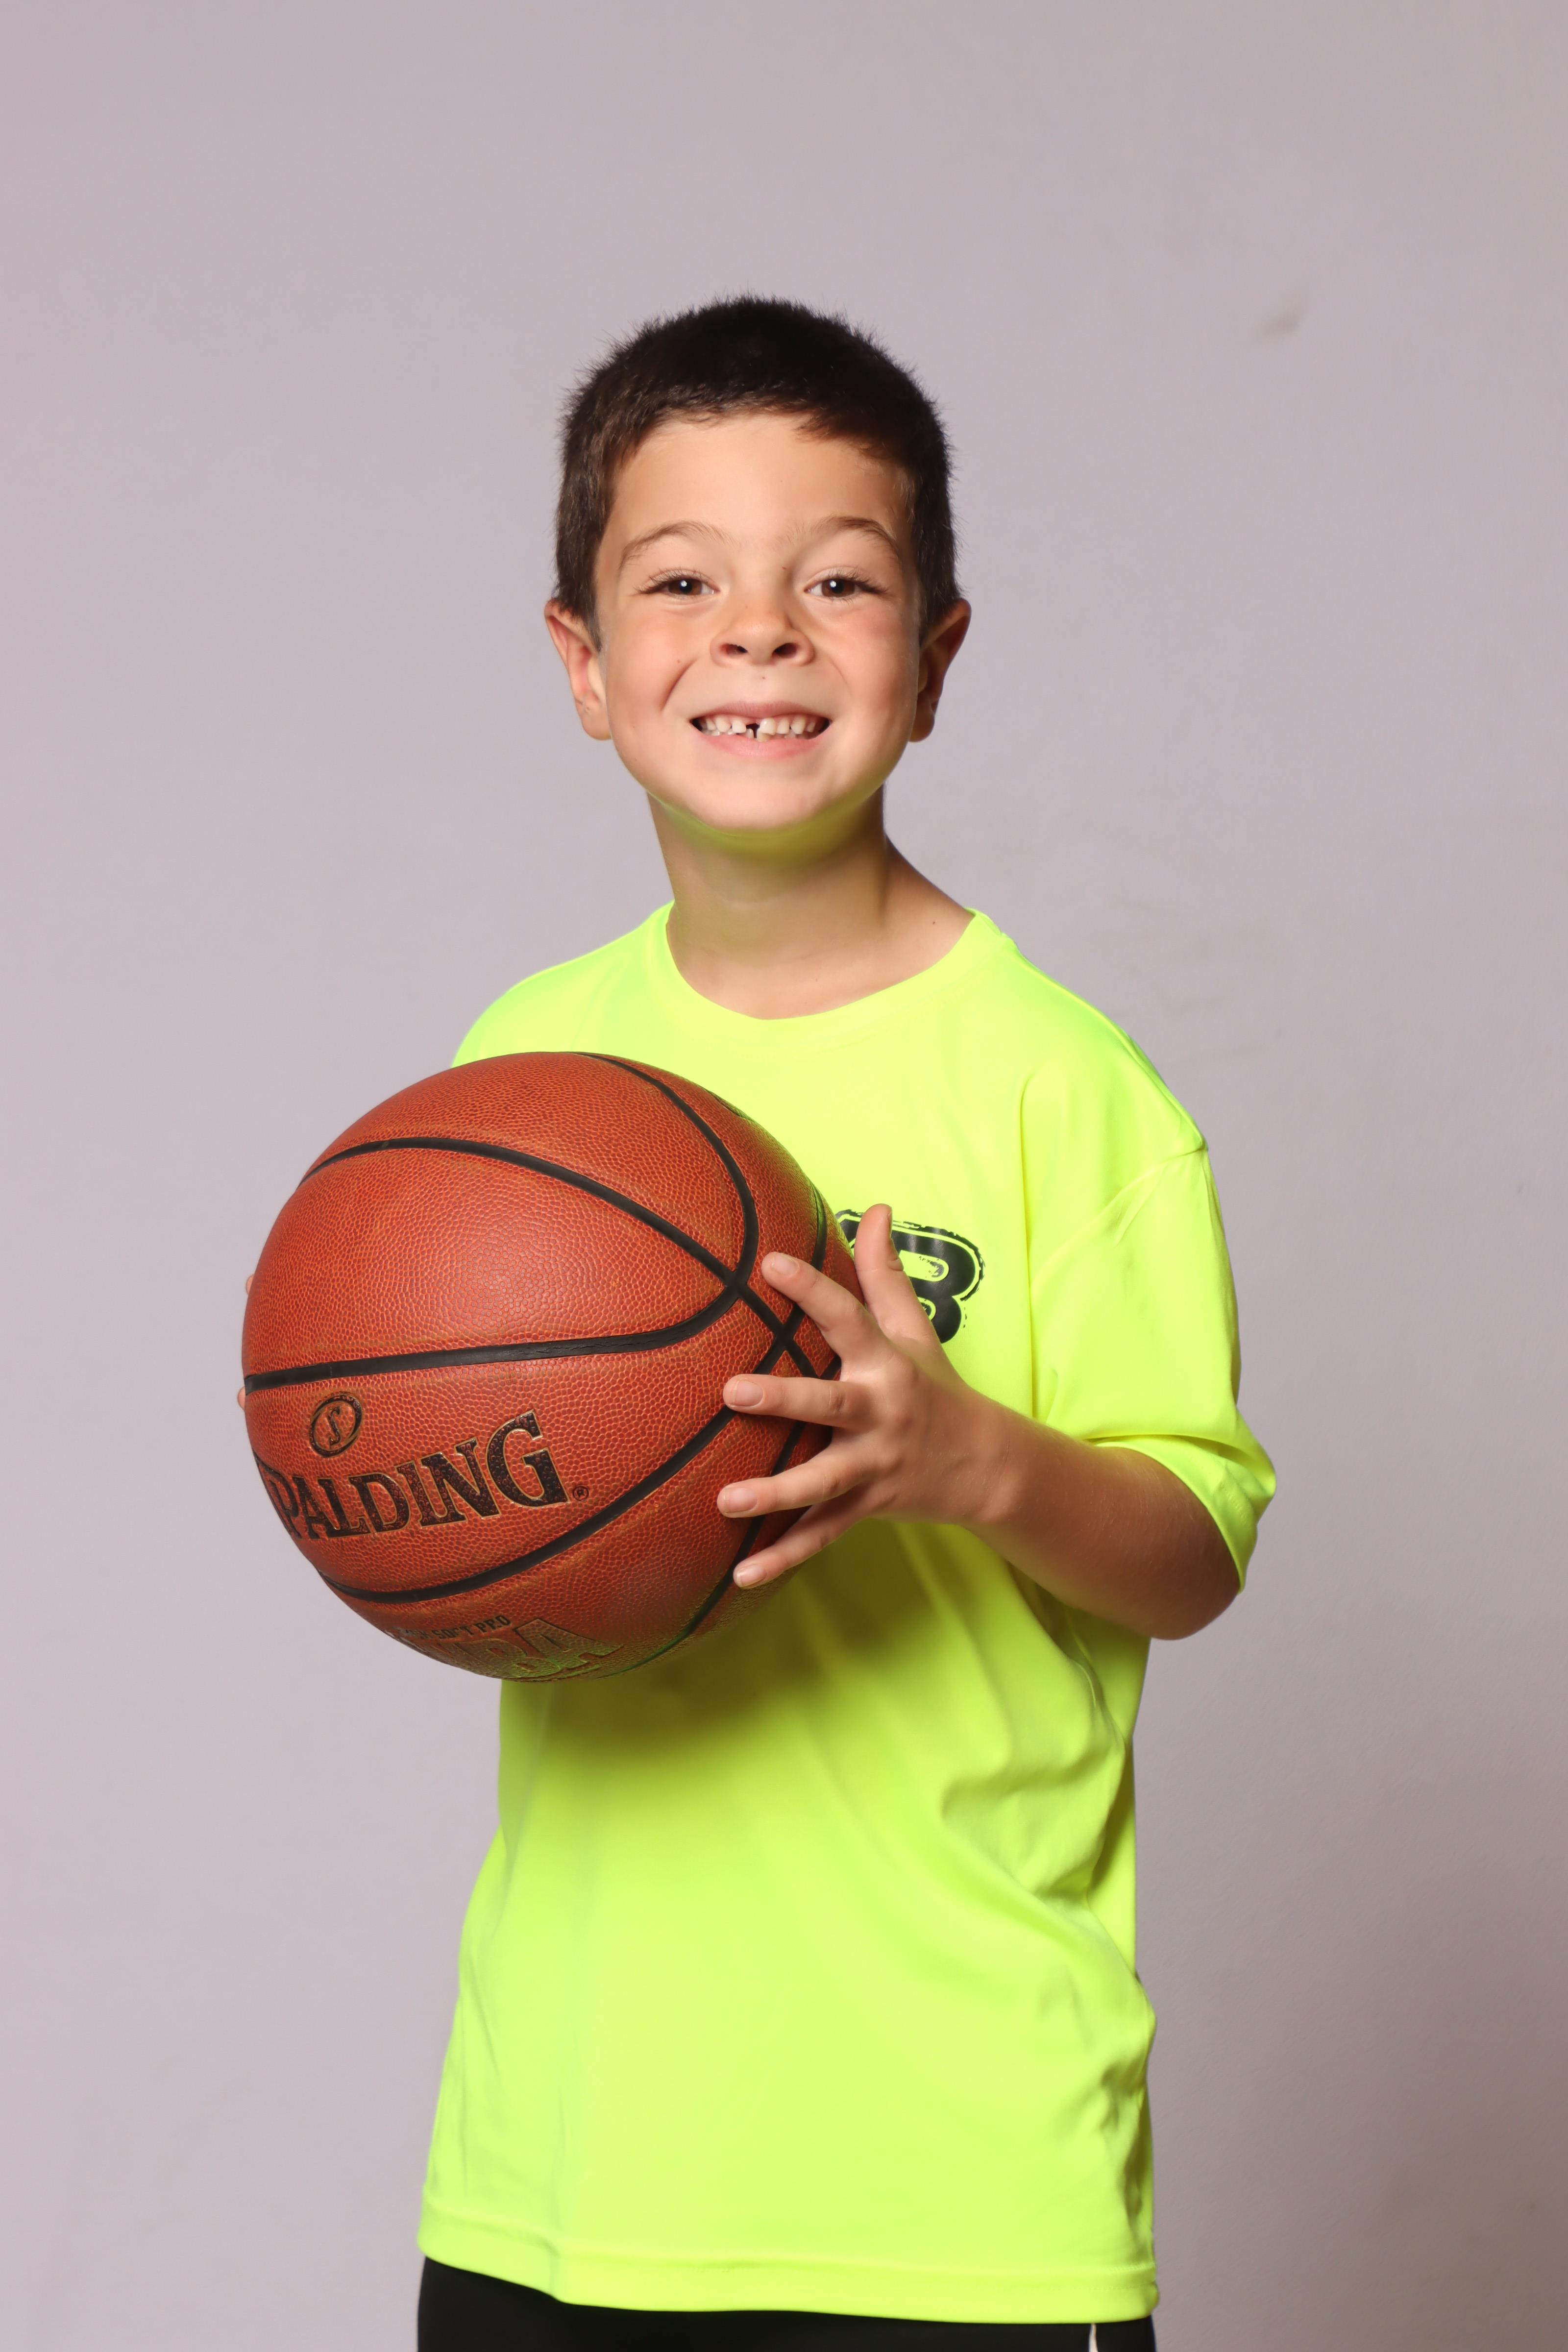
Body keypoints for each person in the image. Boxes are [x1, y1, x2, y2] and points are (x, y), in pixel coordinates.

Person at [415, 297, 1274, 2352]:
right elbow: (458, 1495)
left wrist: (968, 1458)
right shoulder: (521, 1073)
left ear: (935, 656)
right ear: (583, 666)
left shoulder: (1064, 1087)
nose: (760, 632)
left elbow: (1195, 1554)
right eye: (680, 581)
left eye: (839, 581)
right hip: (564, 2170)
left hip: (959, 2184)